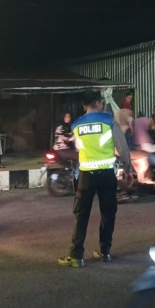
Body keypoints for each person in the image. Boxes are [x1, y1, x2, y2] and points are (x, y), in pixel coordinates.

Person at [58, 91, 133, 268]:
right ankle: (105, 252)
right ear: (98, 103)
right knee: (108, 213)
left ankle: (76, 256)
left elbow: (77, 149)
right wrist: (128, 169)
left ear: (84, 106)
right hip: (107, 174)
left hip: (86, 176)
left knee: (81, 215)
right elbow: (122, 146)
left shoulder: (76, 125)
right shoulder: (109, 121)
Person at [53, 112, 79, 177]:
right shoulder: (60, 127)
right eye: (66, 117)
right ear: (63, 118)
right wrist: (74, 137)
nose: (68, 118)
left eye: (69, 117)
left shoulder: (69, 127)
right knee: (80, 156)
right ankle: (77, 175)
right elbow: (66, 139)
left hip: (66, 149)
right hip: (61, 149)